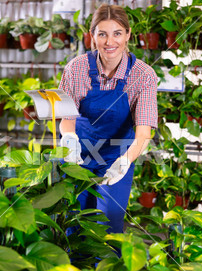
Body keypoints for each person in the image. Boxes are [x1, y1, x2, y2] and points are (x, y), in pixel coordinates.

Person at [59, 4, 158, 234]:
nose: (109, 42)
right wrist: (69, 139)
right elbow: (66, 119)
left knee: (108, 226)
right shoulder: (76, 69)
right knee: (72, 222)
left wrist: (125, 162)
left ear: (128, 35)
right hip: (78, 153)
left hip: (118, 156)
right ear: (92, 36)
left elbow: (144, 134)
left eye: (117, 33)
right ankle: (73, 270)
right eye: (102, 34)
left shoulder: (143, 76)